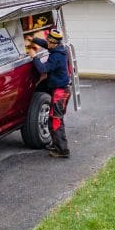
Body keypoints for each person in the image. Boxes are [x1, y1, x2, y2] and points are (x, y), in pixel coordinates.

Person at [28, 28, 71, 158]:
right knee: (54, 119)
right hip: (59, 90)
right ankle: (56, 144)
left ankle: (62, 150)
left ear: (54, 43)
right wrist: (33, 39)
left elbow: (43, 69)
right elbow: (46, 44)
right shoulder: (58, 48)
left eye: (49, 42)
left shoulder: (56, 56)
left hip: (61, 92)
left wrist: (34, 57)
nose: (47, 43)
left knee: (56, 121)